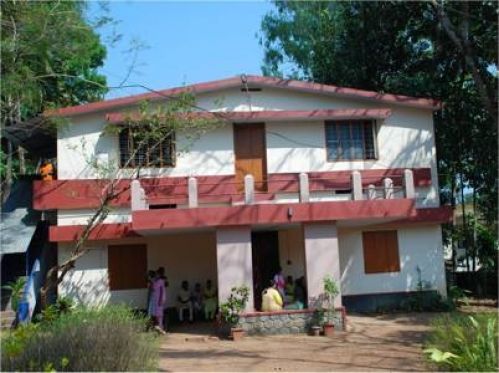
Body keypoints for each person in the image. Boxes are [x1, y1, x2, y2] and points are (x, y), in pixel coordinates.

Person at [152, 267, 167, 334]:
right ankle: (159, 328)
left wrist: (160, 300)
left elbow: (162, 291)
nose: (156, 275)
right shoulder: (156, 281)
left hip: (159, 300)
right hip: (156, 300)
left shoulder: (160, 281)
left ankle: (161, 328)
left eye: (157, 274)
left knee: (159, 315)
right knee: (157, 315)